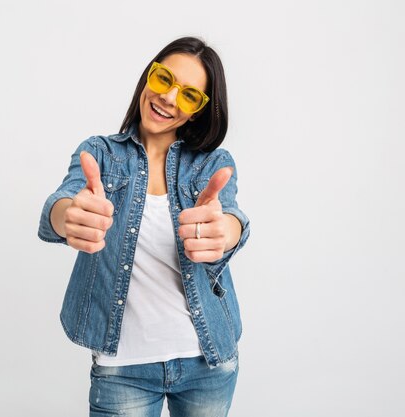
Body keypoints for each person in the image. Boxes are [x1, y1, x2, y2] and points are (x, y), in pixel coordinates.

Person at [38, 36, 250, 417]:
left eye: (189, 96)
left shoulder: (211, 163)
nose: (169, 97)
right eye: (164, 78)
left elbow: (230, 216)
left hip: (208, 360)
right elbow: (64, 203)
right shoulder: (100, 152)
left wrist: (227, 231)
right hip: (123, 368)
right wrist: (68, 217)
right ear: (148, 76)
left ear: (199, 111)